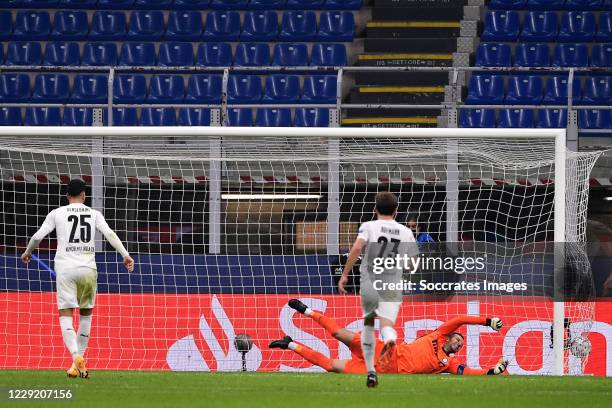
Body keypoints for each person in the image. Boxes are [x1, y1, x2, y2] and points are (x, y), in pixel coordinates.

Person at [20, 179, 135, 379]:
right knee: (86, 315)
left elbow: (39, 236)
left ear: (66, 195)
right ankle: (77, 362)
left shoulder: (57, 213)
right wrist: (125, 255)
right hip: (88, 269)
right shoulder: (94, 213)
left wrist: (28, 252)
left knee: (65, 315)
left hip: (65, 269)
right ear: (84, 195)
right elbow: (109, 234)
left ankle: (75, 357)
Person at [270, 299, 508, 376]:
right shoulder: (438, 334)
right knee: (338, 333)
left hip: (379, 371)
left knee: (331, 366)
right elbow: (460, 320)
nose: (458, 342)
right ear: (449, 337)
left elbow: (468, 372)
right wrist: (487, 322)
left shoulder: (447, 363)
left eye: (461, 344)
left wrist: (492, 371)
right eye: (458, 339)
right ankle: (305, 310)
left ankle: (290, 343)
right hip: (382, 350)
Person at [338, 192, 417, 387]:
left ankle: (371, 371)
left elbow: (357, 248)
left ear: (375, 209)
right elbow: (413, 262)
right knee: (387, 325)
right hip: (392, 282)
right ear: (396, 211)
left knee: (368, 325)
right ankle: (390, 338)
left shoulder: (369, 226)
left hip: (370, 282)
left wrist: (345, 274)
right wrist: (404, 265)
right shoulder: (405, 231)